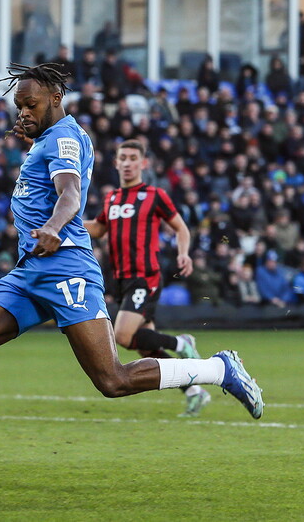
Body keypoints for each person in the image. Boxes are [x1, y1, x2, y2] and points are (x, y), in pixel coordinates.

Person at [0, 63, 264, 486]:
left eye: (31, 104)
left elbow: (70, 192)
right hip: (29, 272)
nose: (24, 112)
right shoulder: (46, 139)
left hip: (65, 268)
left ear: (56, 98)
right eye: (20, 106)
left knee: (112, 380)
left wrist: (56, 227)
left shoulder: (63, 138)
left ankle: (219, 369)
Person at [85, 139, 209, 417]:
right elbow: (99, 228)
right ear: (116, 163)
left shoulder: (154, 195)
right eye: (123, 158)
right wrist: (66, 222)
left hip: (145, 276)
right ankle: (194, 391)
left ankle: (181, 343)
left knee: (122, 336)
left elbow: (181, 228)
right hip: (122, 280)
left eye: (133, 158)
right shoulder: (112, 198)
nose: (127, 163)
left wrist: (184, 253)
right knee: (146, 348)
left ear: (143, 163)